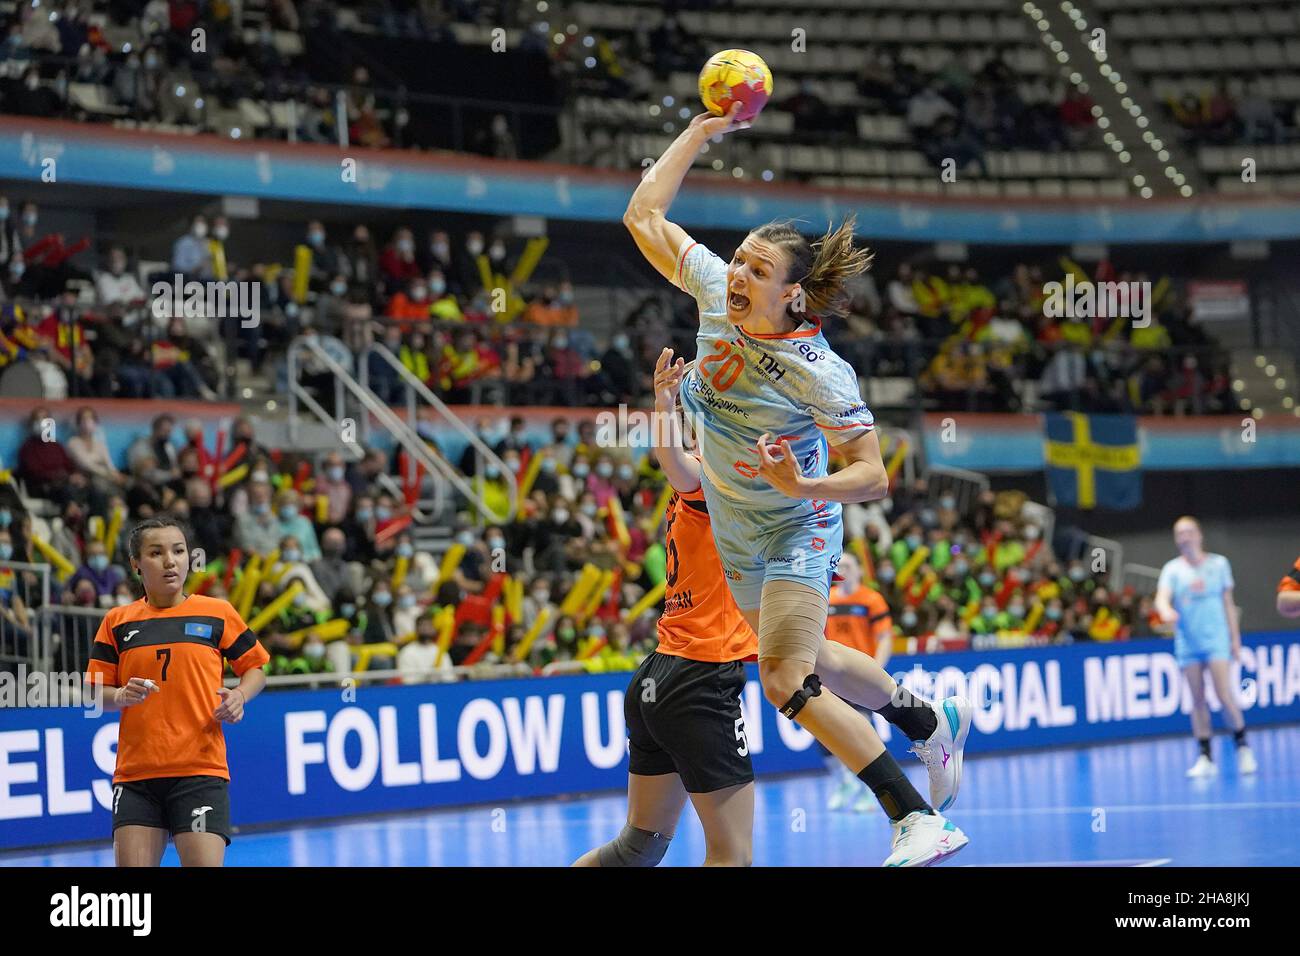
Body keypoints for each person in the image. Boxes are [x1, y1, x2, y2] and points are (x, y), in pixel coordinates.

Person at [624, 105, 970, 866]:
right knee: (809, 659)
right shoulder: (715, 294)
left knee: (785, 675)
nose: (736, 272)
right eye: (737, 258)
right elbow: (643, 213)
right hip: (738, 529)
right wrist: (700, 132)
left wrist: (806, 481)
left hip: (797, 525)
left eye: (756, 268)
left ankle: (915, 818)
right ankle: (924, 717)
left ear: (794, 297)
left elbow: (874, 475)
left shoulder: (820, 371)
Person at [84, 516, 269, 866]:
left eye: (179, 551)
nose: (170, 561)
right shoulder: (117, 622)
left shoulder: (217, 612)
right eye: (156, 552)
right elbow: (94, 693)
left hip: (200, 773)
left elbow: (255, 670)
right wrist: (120, 695)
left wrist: (240, 695)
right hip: (137, 777)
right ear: (136, 563)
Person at [1154, 516, 1256, 778]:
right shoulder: (1172, 570)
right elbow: (1162, 599)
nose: (1185, 537)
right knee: (1197, 700)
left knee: (1224, 695)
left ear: (1199, 535)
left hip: (1216, 641)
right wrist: (1165, 611)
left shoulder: (1219, 565)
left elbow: (1228, 604)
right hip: (1188, 643)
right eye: (1179, 533)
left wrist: (1235, 639)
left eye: (1189, 531)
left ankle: (1243, 747)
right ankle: (1205, 757)